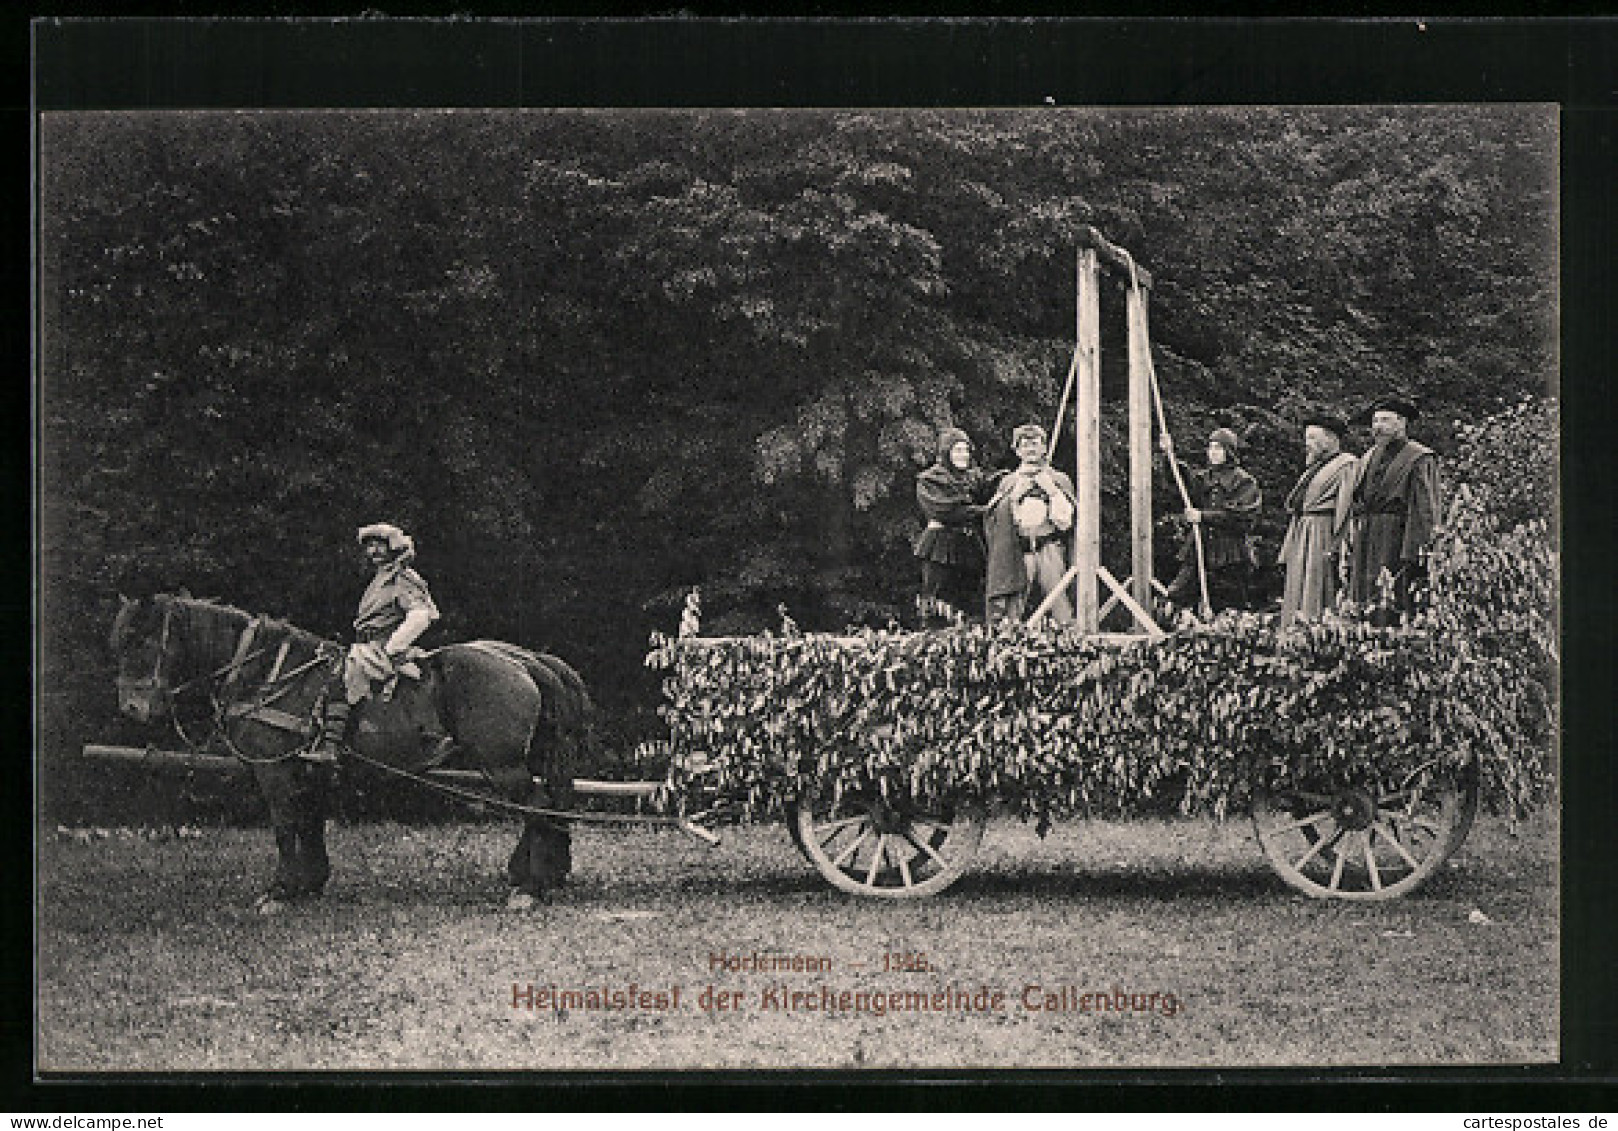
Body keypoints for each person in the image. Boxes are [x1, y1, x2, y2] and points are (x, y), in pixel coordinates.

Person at [307, 523, 449, 763]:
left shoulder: (402, 577)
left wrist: (394, 647)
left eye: (379, 545)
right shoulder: (380, 579)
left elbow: (420, 615)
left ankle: (332, 745)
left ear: (393, 546)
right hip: (366, 645)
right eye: (369, 546)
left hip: (383, 647)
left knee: (344, 674)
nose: (373, 551)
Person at [1345, 395, 1442, 623]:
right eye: (1375, 422)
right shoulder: (1369, 456)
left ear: (1401, 423)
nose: (1378, 427)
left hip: (1397, 536)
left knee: (1395, 593)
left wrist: (1415, 550)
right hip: (1368, 535)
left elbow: (1425, 509)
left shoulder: (1419, 458)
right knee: (1365, 592)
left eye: (1385, 421)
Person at [983, 423, 1078, 625]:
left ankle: (1070, 641)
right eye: (1025, 445)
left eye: (1035, 444)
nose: (1030, 449)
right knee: (1013, 602)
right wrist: (1013, 498)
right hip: (1018, 550)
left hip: (1049, 549)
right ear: (1017, 450)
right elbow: (995, 520)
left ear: (1044, 448)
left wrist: (1051, 490)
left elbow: (1066, 522)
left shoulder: (1058, 479)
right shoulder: (1008, 482)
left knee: (1059, 601)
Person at [1161, 427, 1262, 612]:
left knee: (1229, 607)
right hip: (1200, 546)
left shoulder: (1244, 482)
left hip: (1231, 553)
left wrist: (1202, 516)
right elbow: (1180, 482)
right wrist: (1169, 456)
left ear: (1229, 451)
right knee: (1176, 596)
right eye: (1210, 448)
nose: (1212, 453)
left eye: (1218, 448)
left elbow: (1241, 517)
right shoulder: (1204, 478)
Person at [1277, 415, 1358, 628]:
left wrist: (1337, 546)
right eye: (1306, 438)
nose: (1307, 444)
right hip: (1303, 532)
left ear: (1331, 439)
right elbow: (1298, 509)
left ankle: (1314, 638)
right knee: (1296, 588)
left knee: (1316, 587)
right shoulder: (1312, 469)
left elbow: (1345, 509)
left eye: (1313, 438)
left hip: (1321, 533)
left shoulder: (1346, 465)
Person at [913, 427, 989, 626]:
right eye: (957, 450)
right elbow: (944, 510)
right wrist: (980, 510)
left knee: (969, 602)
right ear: (946, 452)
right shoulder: (930, 479)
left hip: (969, 546)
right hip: (940, 545)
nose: (963, 455)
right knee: (936, 600)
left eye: (966, 450)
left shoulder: (973, 478)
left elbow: (992, 489)